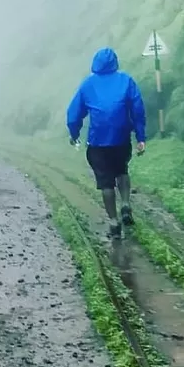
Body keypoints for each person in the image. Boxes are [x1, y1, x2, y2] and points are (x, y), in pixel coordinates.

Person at [67, 47, 147, 238]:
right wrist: (141, 137)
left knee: (106, 183)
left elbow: (73, 115)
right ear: (115, 62)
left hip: (98, 142)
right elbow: (138, 110)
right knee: (122, 170)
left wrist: (74, 133)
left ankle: (113, 222)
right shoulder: (126, 80)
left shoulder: (88, 84)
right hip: (121, 139)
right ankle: (126, 203)